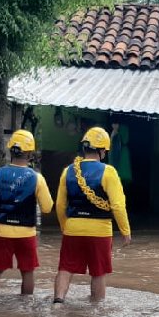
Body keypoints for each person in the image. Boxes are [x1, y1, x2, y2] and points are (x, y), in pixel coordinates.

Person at [53, 127, 131, 303]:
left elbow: (60, 205)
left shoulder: (68, 171)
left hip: (73, 228)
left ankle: (58, 302)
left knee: (65, 268)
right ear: (102, 151)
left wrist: (65, 226)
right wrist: (125, 232)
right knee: (98, 271)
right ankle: (96, 311)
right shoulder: (109, 172)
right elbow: (118, 206)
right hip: (100, 231)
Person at [0, 130, 53, 298]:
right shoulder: (37, 178)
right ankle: (26, 305)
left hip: (1, 232)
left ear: (10, 150)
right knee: (27, 271)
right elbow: (47, 208)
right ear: (30, 154)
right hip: (26, 233)